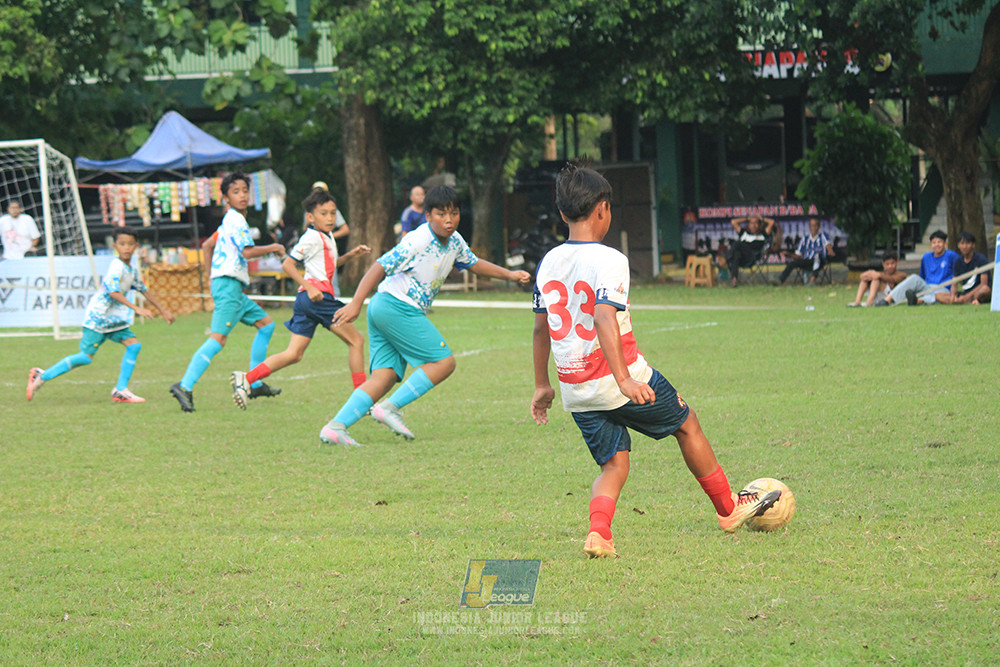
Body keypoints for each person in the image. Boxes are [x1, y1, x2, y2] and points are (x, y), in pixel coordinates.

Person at [529, 164, 780, 559]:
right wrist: (625, 379)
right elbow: (603, 316)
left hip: (576, 389)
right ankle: (729, 509)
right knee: (687, 423)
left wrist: (543, 385)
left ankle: (599, 534)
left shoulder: (547, 262)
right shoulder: (610, 260)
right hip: (621, 379)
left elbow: (540, 329)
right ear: (603, 210)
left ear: (562, 214)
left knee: (614, 466)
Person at [318, 185, 531, 447]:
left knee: (383, 377)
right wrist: (355, 303)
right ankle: (389, 408)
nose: (449, 220)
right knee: (444, 363)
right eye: (441, 214)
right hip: (395, 306)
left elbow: (474, 264)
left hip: (385, 308)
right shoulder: (417, 241)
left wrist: (509, 274)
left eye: (454, 213)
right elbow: (379, 266)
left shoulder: (455, 241)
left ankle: (335, 427)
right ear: (428, 215)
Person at [230, 188, 372, 409]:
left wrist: (352, 255)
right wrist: (309, 286)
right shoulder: (311, 237)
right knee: (357, 341)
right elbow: (287, 263)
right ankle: (362, 400)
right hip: (317, 299)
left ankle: (246, 379)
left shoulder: (327, 236)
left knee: (294, 354)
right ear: (310, 217)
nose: (330, 218)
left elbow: (328, 267)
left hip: (307, 301)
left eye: (333, 213)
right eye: (324, 213)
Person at [169, 172, 286, 412]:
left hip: (231, 287)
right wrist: (274, 246)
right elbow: (247, 252)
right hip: (229, 286)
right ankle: (185, 385)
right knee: (218, 340)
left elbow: (207, 245)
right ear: (225, 198)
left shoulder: (227, 222)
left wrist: (211, 275)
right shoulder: (236, 221)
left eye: (245, 190)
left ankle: (255, 382)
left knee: (267, 325)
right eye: (236, 192)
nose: (242, 195)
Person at [26, 226, 175, 403]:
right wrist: (136, 308)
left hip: (113, 320)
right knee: (85, 358)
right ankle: (41, 375)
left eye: (130, 244)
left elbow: (144, 290)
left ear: (136, 246)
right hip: (98, 318)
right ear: (115, 246)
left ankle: (121, 390)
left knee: (134, 346)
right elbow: (113, 292)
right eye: (122, 244)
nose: (126, 247)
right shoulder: (116, 266)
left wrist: (163, 310)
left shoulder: (131, 269)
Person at [879, 230, 959, 306]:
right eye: (934, 242)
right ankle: (887, 300)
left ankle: (918, 301)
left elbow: (959, 272)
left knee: (938, 295)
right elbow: (922, 276)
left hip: (943, 288)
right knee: (914, 277)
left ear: (945, 244)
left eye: (939, 242)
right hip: (928, 286)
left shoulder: (951, 255)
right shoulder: (926, 257)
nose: (936, 245)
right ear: (931, 245)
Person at [935, 232, 993, 305]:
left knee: (985, 290)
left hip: (977, 292)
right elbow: (954, 283)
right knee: (938, 295)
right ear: (958, 245)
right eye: (962, 243)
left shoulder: (981, 259)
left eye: (967, 243)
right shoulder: (958, 262)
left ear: (973, 245)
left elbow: (983, 284)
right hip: (965, 291)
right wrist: (953, 295)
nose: (964, 246)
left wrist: (967, 296)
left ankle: (969, 300)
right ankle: (964, 301)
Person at [723, 214, 775, 286]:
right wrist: (747, 218)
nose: (754, 225)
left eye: (756, 223)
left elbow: (771, 222)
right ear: (748, 225)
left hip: (752, 257)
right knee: (736, 255)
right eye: (751, 223)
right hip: (743, 259)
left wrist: (761, 218)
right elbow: (733, 222)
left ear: (759, 224)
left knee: (737, 243)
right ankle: (734, 280)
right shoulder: (744, 233)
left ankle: (725, 260)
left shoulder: (763, 234)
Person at [778, 217, 833, 284]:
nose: (814, 228)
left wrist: (830, 251)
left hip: (820, 260)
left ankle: (812, 280)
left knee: (817, 256)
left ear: (818, 227)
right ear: (809, 227)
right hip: (807, 261)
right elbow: (798, 255)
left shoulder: (823, 236)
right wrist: (789, 254)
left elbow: (828, 245)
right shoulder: (805, 238)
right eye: (812, 226)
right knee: (792, 263)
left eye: (815, 226)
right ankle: (780, 281)